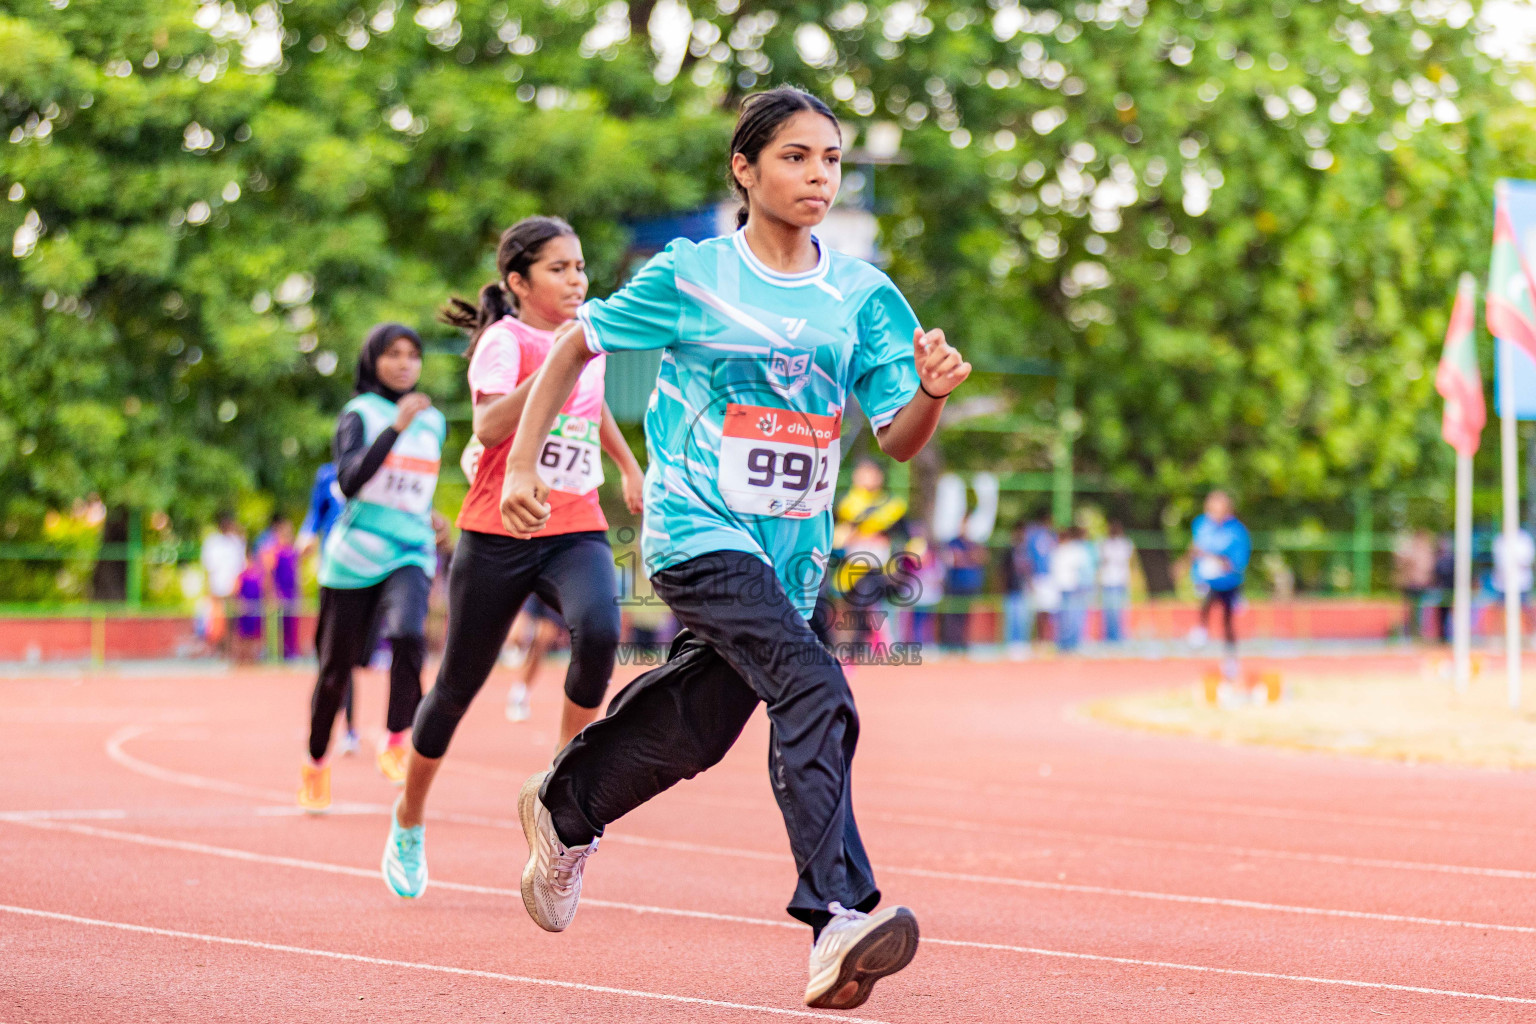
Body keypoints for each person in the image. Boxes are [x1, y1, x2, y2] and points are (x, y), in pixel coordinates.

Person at [499, 87, 969, 1010]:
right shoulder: (693, 275)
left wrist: (933, 392)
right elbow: (575, 347)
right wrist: (524, 464)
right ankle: (839, 915)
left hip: (791, 558)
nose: (818, 177)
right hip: (696, 530)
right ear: (744, 170)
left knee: (700, 727)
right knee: (811, 684)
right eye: (796, 157)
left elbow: (897, 436)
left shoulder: (863, 296)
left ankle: (566, 808)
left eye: (831, 159)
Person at [382, 215, 645, 898]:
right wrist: (558, 359)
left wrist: (627, 464)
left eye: (581, 268)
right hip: (497, 533)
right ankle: (409, 816)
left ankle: (561, 795)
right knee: (454, 689)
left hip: (574, 524)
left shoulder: (588, 339)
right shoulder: (505, 342)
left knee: (602, 632)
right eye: (559, 269)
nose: (576, 280)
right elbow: (492, 425)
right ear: (518, 281)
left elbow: (590, 409)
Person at [298, 323, 450, 813]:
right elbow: (351, 480)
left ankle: (395, 739)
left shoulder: (436, 423)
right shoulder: (359, 414)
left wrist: (431, 516)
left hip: (410, 549)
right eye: (393, 354)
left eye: (413, 354)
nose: (405, 363)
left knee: (409, 634)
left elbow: (412, 488)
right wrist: (395, 427)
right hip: (353, 555)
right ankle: (316, 762)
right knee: (335, 673)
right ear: (372, 361)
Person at [1189, 490, 1251, 677]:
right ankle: (1202, 629)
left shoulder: (1237, 531)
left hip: (1229, 582)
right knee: (1206, 602)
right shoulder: (1202, 525)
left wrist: (1221, 562)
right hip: (1208, 580)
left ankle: (1231, 660)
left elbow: (1238, 560)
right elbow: (1196, 551)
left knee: (1228, 622)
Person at [505, 595, 567, 722]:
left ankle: (520, 694)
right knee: (516, 634)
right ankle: (522, 644)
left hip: (558, 587)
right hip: (532, 584)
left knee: (543, 639)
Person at [198, 514, 245, 656]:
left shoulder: (236, 542)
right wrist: (209, 589)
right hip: (217, 588)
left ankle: (230, 651)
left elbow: (240, 567)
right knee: (218, 622)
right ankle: (220, 650)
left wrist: (237, 587)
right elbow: (208, 568)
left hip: (232, 588)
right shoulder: (212, 543)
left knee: (232, 621)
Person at [263, 514, 302, 660]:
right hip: (279, 593)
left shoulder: (293, 551)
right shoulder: (273, 550)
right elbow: (268, 572)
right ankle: (275, 654)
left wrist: (299, 592)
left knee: (292, 625)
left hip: (292, 593)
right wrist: (271, 593)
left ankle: (291, 653)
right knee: (276, 625)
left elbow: (296, 573)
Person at [1049, 525, 1092, 652]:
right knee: (1065, 618)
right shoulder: (1058, 551)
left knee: (1073, 617)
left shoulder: (1073, 550)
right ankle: (1065, 644)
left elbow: (1082, 569)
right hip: (1063, 589)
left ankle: (1073, 643)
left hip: (1073, 587)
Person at [1024, 511, 1058, 645]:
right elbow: (1030, 559)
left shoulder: (1052, 536)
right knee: (1037, 611)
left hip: (1050, 577)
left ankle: (1046, 639)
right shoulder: (1034, 536)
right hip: (1038, 577)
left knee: (1048, 610)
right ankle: (1037, 639)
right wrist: (1030, 577)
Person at [1098, 521, 1135, 643]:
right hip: (1108, 582)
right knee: (1109, 612)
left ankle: (1118, 637)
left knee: (1119, 612)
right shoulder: (1104, 543)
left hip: (1120, 581)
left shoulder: (1124, 544)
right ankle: (1109, 637)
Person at [1002, 519, 1032, 659]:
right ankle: (1011, 645)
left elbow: (1030, 571)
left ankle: (1022, 644)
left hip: (1023, 590)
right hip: (1011, 589)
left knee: (1023, 619)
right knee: (1012, 619)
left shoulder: (1028, 551)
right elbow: (1002, 571)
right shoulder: (1009, 552)